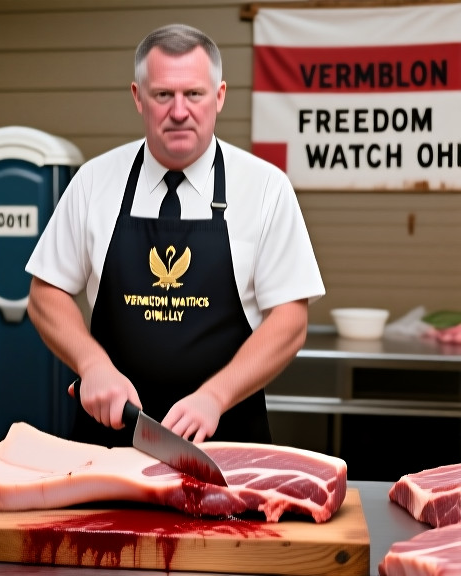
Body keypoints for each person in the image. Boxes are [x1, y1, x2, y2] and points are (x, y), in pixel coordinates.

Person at [25, 23, 325, 447]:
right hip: (110, 444)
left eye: (194, 94)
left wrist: (215, 397)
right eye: (163, 94)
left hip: (225, 445)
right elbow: (45, 293)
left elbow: (290, 320)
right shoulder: (94, 181)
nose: (179, 110)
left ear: (219, 96)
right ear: (138, 97)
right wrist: (92, 363)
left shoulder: (265, 188)